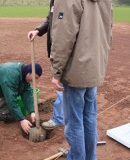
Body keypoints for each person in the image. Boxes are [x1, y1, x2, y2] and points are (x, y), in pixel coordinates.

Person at [50, 0, 113, 160]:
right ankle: (90, 157)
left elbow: (63, 36)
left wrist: (56, 71)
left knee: (74, 121)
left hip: (76, 71)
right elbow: (109, 31)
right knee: (89, 117)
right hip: (94, 67)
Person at [27, 0, 64, 129]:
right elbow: (50, 18)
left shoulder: (70, 2)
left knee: (62, 86)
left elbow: (67, 31)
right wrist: (38, 30)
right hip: (57, 50)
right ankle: (66, 115)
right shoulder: (54, 1)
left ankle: (59, 118)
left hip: (65, 52)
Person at [0, 62, 43, 134]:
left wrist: (32, 111)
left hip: (2, 92)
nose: (34, 80)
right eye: (35, 77)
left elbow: (26, 92)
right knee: (11, 115)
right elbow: (11, 99)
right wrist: (22, 119)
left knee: (17, 110)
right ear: (30, 73)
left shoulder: (24, 73)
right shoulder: (11, 76)